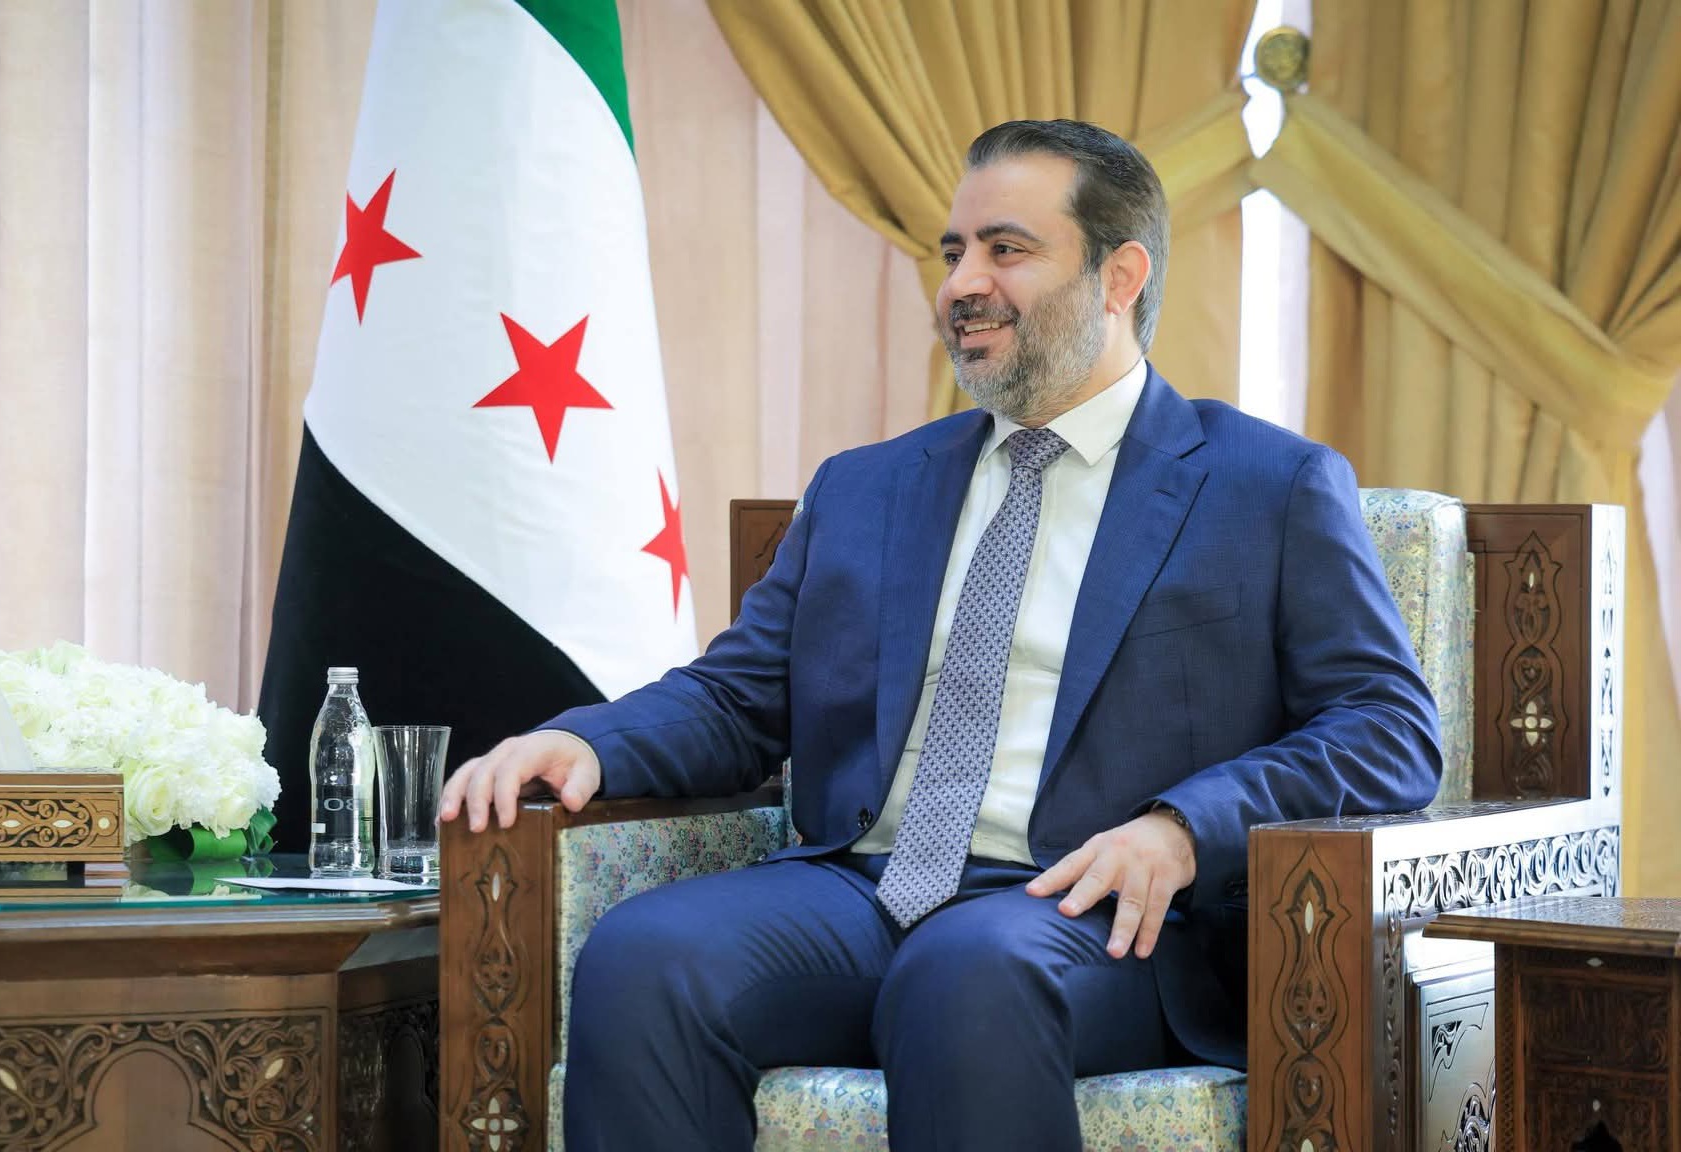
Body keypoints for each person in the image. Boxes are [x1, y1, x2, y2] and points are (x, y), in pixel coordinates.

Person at [440, 119, 1442, 1152]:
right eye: (954, 251)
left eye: (1007, 249)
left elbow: (1389, 728)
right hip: (862, 893)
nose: (963, 283)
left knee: (964, 972)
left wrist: (1183, 827)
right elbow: (739, 697)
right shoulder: (866, 486)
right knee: (645, 955)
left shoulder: (1266, 486)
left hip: (1092, 918)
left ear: (1119, 276)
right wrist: (588, 741)